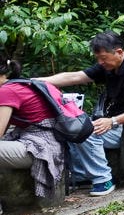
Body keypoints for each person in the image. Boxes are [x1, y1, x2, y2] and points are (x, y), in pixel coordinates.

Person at [42, 31, 124, 186]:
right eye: (97, 58)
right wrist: (34, 82)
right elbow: (75, 77)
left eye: (103, 58)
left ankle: (103, 179)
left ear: (118, 52)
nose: (100, 62)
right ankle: (81, 176)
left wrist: (112, 121)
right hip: (116, 125)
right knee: (70, 129)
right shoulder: (108, 68)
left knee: (84, 132)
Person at [0, 57, 114, 198]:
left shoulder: (6, 91)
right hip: (56, 141)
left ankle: (102, 177)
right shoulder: (23, 84)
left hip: (42, 148)